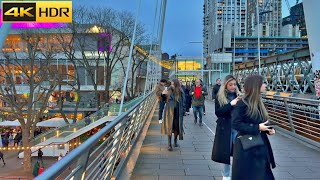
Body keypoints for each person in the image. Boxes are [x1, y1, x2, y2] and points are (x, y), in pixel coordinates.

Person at [231, 75, 276, 180]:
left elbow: (261, 122)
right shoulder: (242, 103)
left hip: (258, 146)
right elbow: (236, 124)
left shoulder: (258, 102)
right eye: (263, 83)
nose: (265, 85)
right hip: (248, 148)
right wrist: (257, 127)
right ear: (256, 86)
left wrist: (269, 129)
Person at [211, 75, 241, 180]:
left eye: (234, 84)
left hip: (238, 128)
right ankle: (226, 176)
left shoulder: (240, 96)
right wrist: (230, 105)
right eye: (230, 84)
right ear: (226, 85)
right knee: (226, 153)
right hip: (226, 128)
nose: (233, 86)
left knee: (239, 153)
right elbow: (218, 113)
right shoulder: (220, 97)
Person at [161, 79, 185, 151]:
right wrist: (163, 94)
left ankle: (175, 141)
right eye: (171, 84)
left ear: (176, 84)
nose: (172, 85)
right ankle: (169, 144)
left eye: (173, 84)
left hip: (178, 112)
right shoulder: (168, 90)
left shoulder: (180, 91)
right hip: (169, 112)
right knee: (169, 127)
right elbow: (164, 100)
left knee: (177, 127)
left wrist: (183, 111)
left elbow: (184, 101)